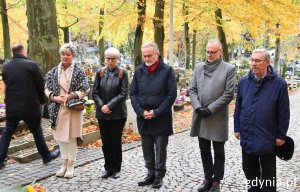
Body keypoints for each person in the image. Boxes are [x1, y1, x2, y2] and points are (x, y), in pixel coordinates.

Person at [234, 49, 290, 192]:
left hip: (268, 136)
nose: (253, 63)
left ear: (267, 62)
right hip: (247, 134)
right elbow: (238, 107)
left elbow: (283, 112)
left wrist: (281, 135)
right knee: (249, 170)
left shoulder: (279, 84)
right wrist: (237, 127)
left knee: (268, 175)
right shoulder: (243, 82)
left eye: (257, 61)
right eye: (252, 60)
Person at [0, 44, 60, 169]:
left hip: (12, 106)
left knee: (7, 132)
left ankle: (0, 159)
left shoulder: (6, 67)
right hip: (30, 106)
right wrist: (42, 101)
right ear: (23, 52)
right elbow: (40, 84)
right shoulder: (31, 65)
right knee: (37, 131)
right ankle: (46, 156)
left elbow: (6, 85)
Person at [189, 39, 236, 192]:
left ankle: (216, 181)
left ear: (220, 52)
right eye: (207, 51)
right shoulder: (199, 67)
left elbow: (228, 94)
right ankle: (207, 178)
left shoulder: (229, 69)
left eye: (212, 52)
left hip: (216, 115)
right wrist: (197, 107)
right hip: (200, 114)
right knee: (204, 149)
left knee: (218, 150)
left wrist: (209, 109)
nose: (209, 54)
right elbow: (192, 89)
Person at [130, 42, 177, 189]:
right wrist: (141, 111)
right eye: (144, 56)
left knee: (160, 149)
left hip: (161, 118)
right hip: (143, 118)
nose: (146, 58)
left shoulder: (168, 71)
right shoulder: (139, 71)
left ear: (157, 54)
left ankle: (158, 176)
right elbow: (133, 94)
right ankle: (150, 174)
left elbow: (171, 95)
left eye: (149, 55)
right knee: (147, 148)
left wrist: (156, 112)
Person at [45, 43, 89, 178]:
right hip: (58, 109)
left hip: (73, 109)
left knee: (71, 137)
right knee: (60, 138)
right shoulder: (53, 71)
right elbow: (45, 87)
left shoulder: (79, 71)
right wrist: (54, 97)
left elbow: (85, 89)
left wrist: (70, 95)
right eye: (63, 54)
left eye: (68, 54)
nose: (65, 56)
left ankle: (71, 165)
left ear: (73, 56)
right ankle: (63, 163)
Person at [92, 47, 128, 179]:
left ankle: (116, 168)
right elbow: (94, 92)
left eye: (113, 58)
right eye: (108, 58)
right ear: (105, 59)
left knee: (115, 142)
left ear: (118, 59)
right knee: (106, 142)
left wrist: (110, 106)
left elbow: (124, 93)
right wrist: (102, 106)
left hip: (118, 114)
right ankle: (108, 168)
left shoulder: (122, 73)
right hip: (102, 114)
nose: (111, 61)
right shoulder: (100, 72)